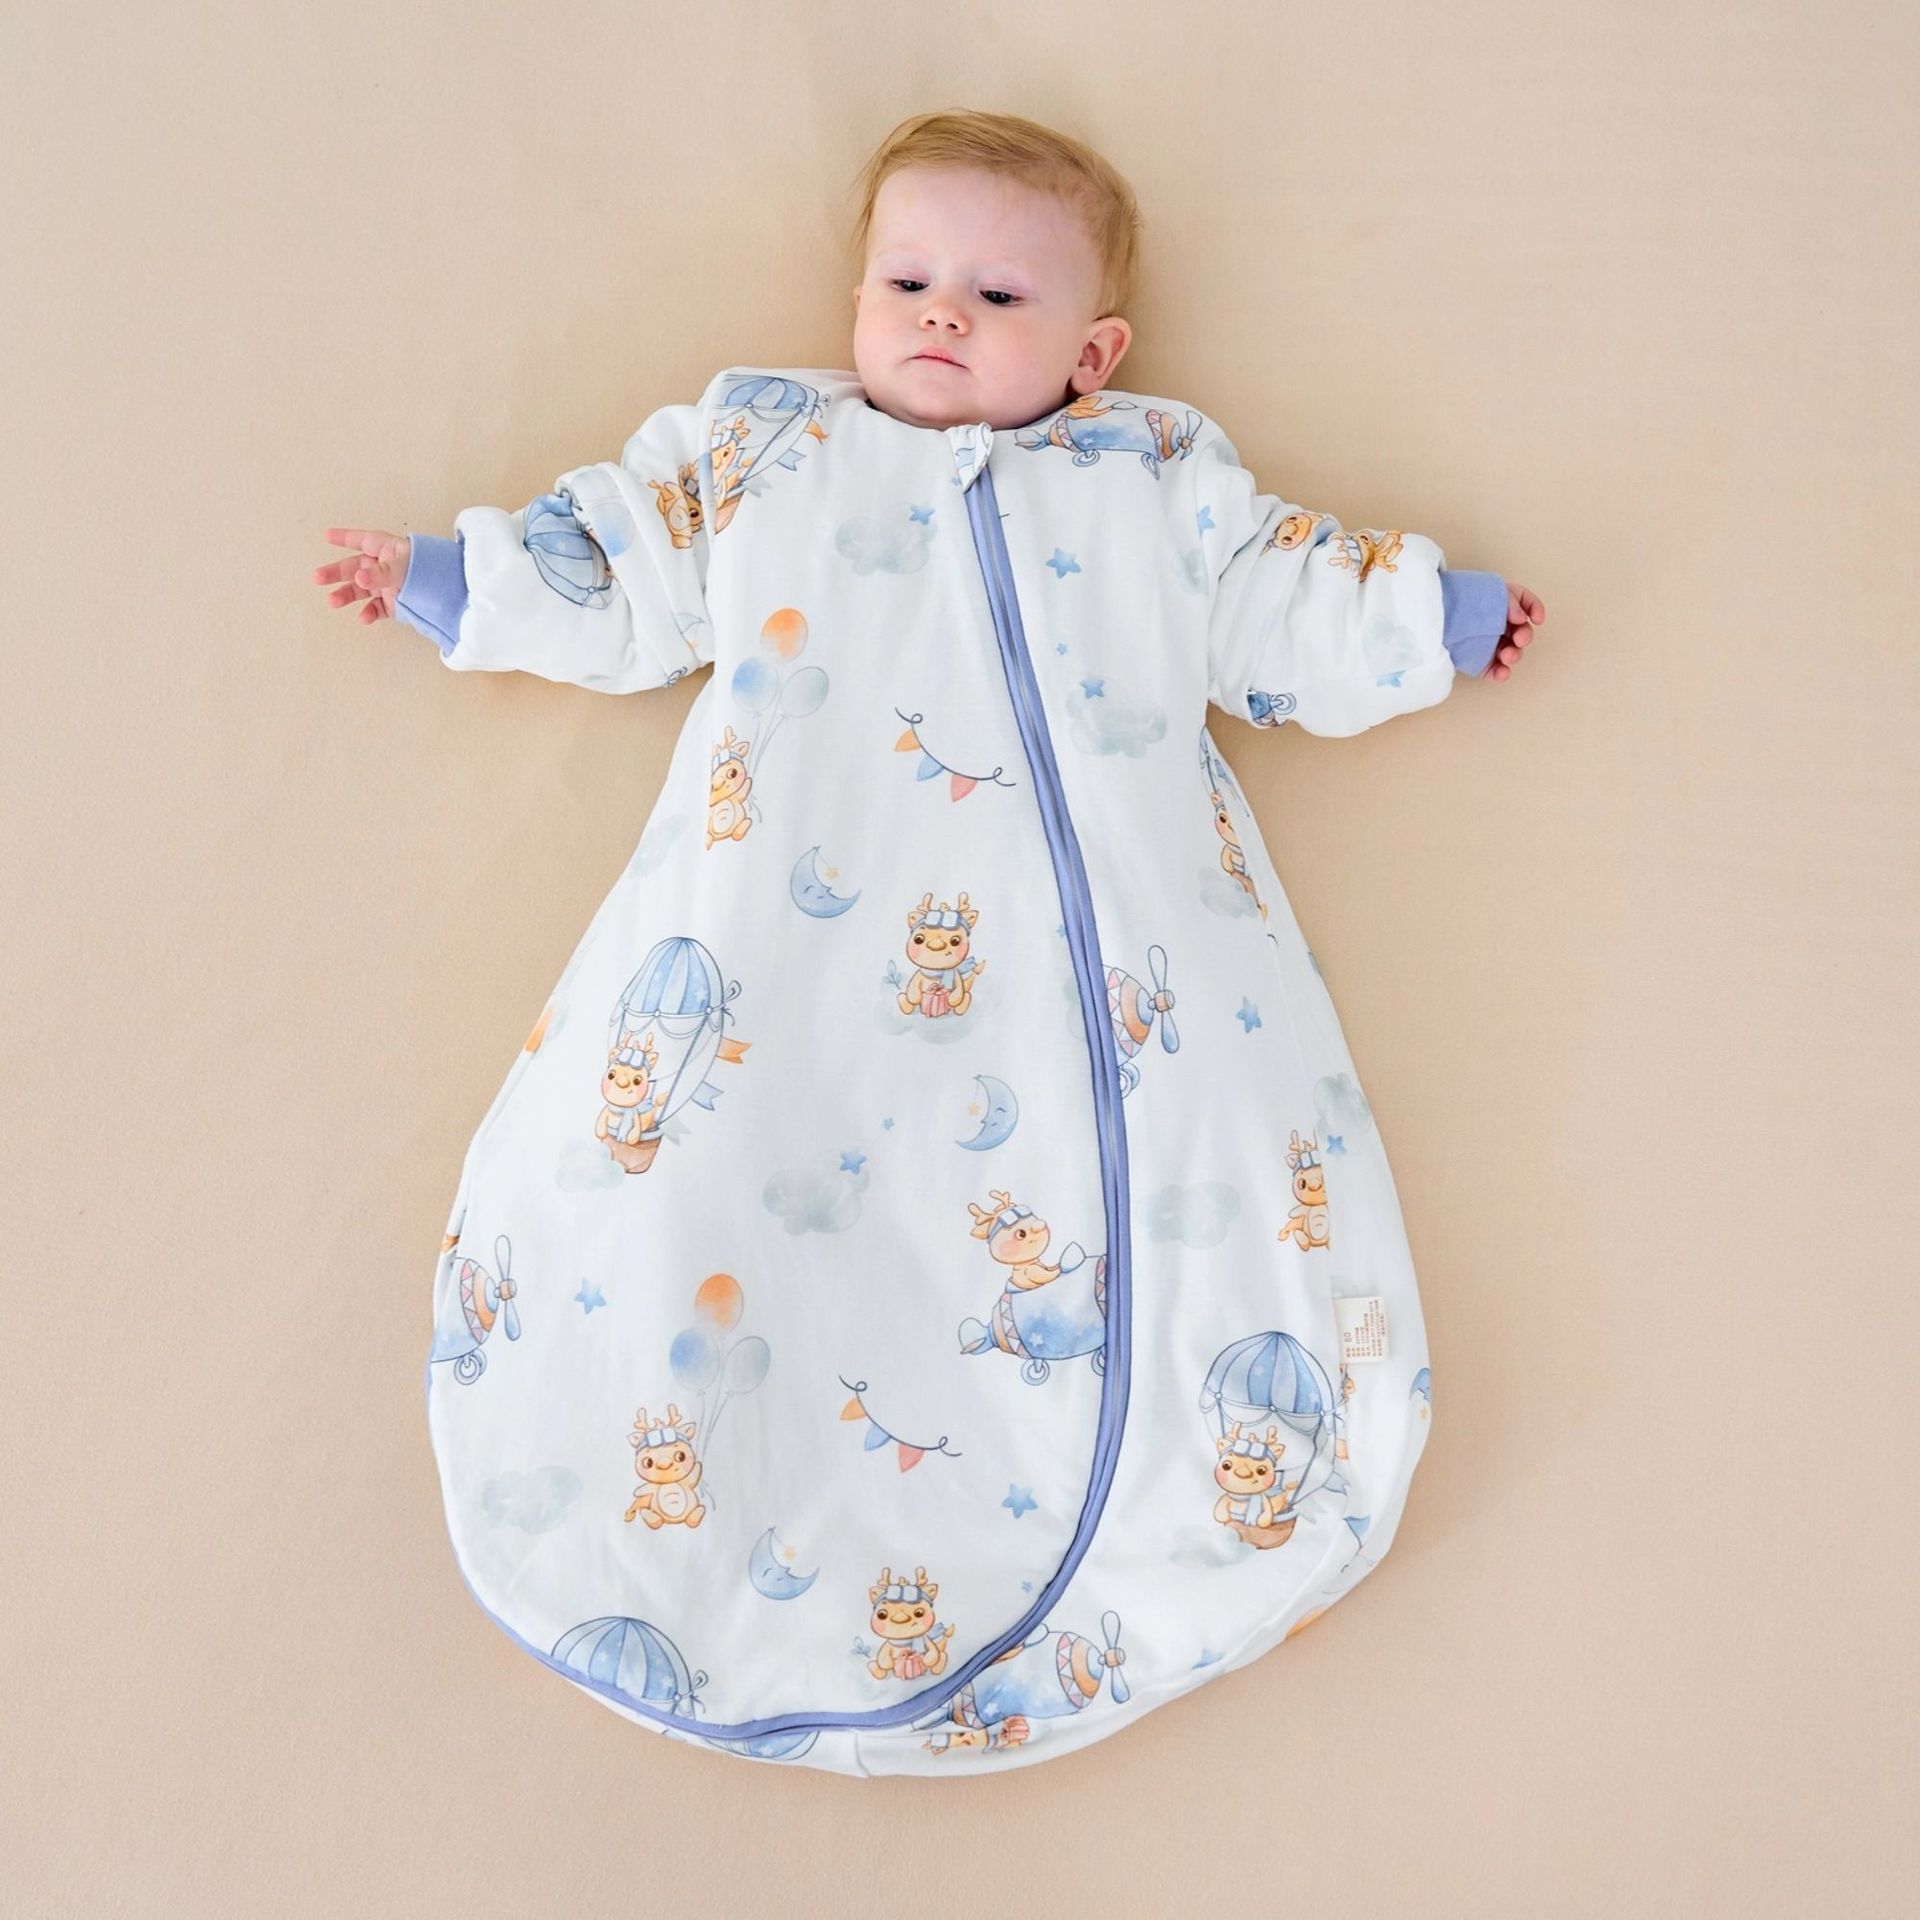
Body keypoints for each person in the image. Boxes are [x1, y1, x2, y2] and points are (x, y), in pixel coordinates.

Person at [309, 109, 1545, 1778]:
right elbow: (620, 565)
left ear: (1093, 357)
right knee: (724, 1185)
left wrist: (1428, 617)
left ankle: (1107, 1530)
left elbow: (1279, 600)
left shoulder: (1155, 484)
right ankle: (719, 1529)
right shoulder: (764, 455)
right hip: (788, 941)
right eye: (907, 281)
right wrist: (457, 580)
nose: (943, 312)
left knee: (1131, 1207)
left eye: (1000, 295)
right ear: (855, 304)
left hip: (1102, 978)